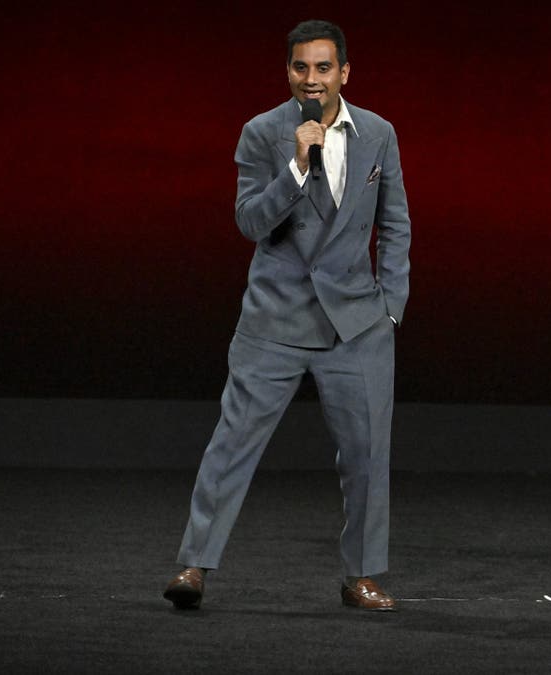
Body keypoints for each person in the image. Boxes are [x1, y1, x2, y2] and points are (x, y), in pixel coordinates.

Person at [163, 19, 410, 611]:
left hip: (355, 324)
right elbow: (250, 221)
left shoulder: (378, 133)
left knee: (366, 456)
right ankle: (193, 567)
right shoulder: (262, 134)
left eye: (324, 68)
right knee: (232, 444)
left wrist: (390, 309)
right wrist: (298, 167)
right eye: (302, 68)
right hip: (274, 320)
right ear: (289, 73)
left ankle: (362, 576)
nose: (313, 79)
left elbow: (395, 223)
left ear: (344, 73)